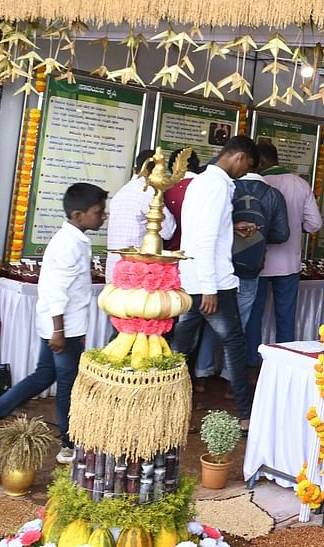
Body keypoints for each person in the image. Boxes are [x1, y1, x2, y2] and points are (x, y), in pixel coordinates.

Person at [0, 183, 106, 464]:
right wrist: (59, 332)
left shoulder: (74, 240)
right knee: (67, 384)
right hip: (63, 328)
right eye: (98, 212)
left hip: (61, 326)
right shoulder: (68, 245)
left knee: (43, 376)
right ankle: (68, 443)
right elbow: (56, 292)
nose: (103, 217)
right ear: (78, 215)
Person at [171, 136, 258, 430]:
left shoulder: (199, 183)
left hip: (191, 277)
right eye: (247, 166)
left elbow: (202, 229)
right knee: (234, 344)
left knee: (182, 347)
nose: (245, 172)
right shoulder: (218, 186)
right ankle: (245, 415)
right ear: (239, 157)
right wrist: (210, 287)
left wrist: (232, 228)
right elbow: (206, 238)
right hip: (213, 282)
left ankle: (167, 404)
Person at [255, 140, 322, 348]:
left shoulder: (258, 183)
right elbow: (315, 224)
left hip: (259, 262)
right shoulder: (299, 183)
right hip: (289, 263)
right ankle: (284, 358)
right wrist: (296, 227)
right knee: (285, 317)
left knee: (253, 316)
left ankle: (252, 362)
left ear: (262, 161)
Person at [228, 157, 289, 370]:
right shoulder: (273, 194)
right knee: (241, 322)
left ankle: (202, 375)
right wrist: (257, 236)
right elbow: (282, 234)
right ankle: (231, 377)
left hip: (222, 264)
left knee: (210, 322)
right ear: (261, 167)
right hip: (249, 266)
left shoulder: (227, 187)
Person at [107, 149, 177, 281]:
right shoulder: (149, 193)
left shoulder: (121, 192)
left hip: (114, 269)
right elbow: (168, 231)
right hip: (136, 271)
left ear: (135, 169)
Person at [163, 148, 202, 252]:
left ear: (173, 166)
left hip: (168, 254)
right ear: (197, 164)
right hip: (198, 253)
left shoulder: (165, 189)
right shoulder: (207, 186)